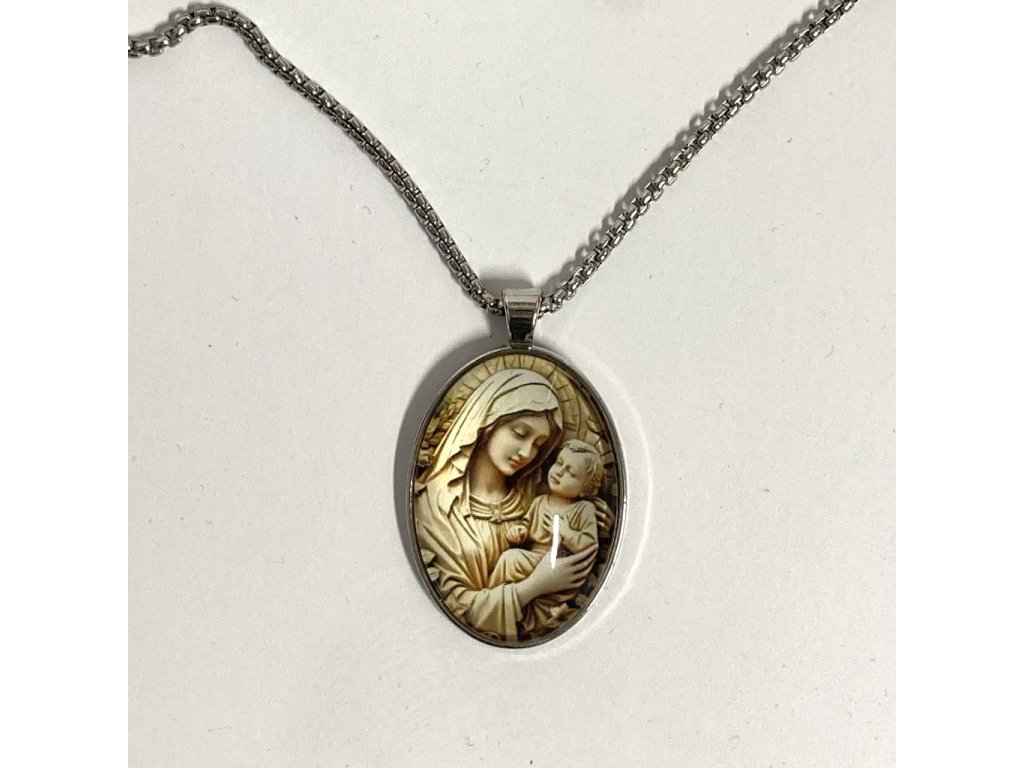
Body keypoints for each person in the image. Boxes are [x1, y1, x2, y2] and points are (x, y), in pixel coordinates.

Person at [414, 368, 597, 642]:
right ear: (488, 421)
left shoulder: (536, 500)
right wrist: (534, 586)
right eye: (520, 433)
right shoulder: (435, 506)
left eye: (539, 445)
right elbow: (458, 607)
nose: (527, 453)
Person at [487, 440, 604, 636]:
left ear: (586, 489)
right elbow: (526, 525)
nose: (560, 472)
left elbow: (589, 543)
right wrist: (519, 532)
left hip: (559, 564)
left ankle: (494, 605)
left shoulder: (583, 509)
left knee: (511, 559)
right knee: (510, 558)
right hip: (535, 558)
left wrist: (566, 532)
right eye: (559, 463)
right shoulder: (539, 502)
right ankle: (494, 600)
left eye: (571, 473)